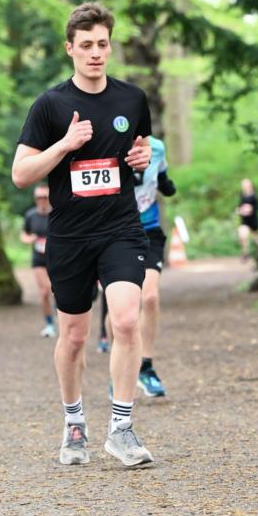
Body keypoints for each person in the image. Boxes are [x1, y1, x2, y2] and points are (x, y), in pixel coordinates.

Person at [12, 1, 154, 468]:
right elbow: (20, 174)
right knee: (73, 335)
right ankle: (74, 422)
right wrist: (65, 145)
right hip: (70, 236)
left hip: (121, 228)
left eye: (103, 44)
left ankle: (122, 427)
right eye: (87, 45)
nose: (96, 53)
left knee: (127, 320)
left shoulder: (132, 99)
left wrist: (140, 160)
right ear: (69, 48)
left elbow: (138, 151)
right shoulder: (51, 105)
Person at [99, 135, 177, 395]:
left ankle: (146, 366)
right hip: (115, 235)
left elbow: (161, 174)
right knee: (121, 310)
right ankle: (117, 370)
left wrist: (166, 185)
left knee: (151, 297)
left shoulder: (156, 147)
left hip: (149, 231)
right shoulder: (105, 144)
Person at [21, 184, 55, 337]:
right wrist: (29, 239)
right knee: (45, 291)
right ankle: (49, 324)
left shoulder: (56, 214)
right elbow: (23, 234)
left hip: (56, 258)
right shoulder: (30, 215)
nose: (41, 200)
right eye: (38, 197)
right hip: (39, 259)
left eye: (45, 197)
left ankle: (64, 318)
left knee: (59, 291)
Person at [237, 178, 258, 259]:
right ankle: (245, 253)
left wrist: (251, 209)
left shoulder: (254, 196)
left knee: (256, 238)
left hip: (253, 219)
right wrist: (239, 210)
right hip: (245, 220)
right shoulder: (242, 195)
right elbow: (240, 205)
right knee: (243, 236)